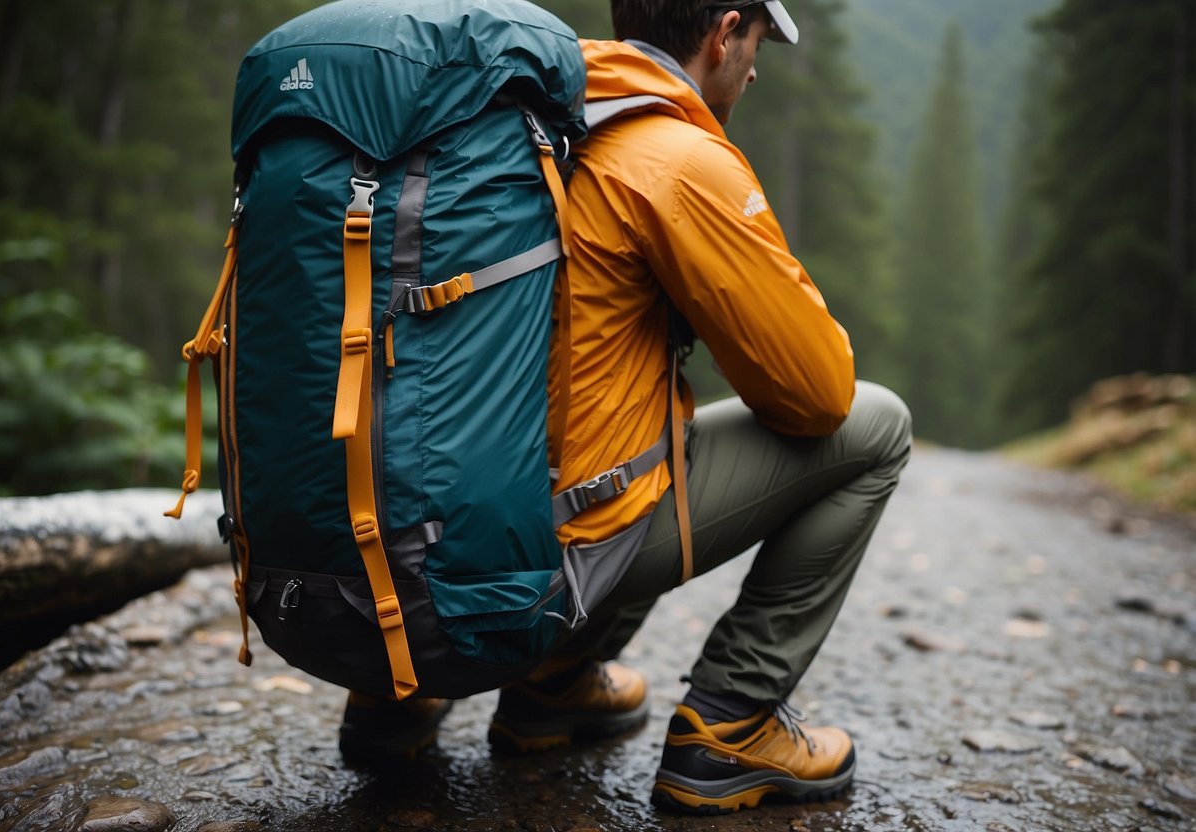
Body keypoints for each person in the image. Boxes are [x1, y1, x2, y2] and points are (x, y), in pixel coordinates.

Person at [342, 0, 912, 815]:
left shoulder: (494, 124)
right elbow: (814, 396)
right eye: (755, 46)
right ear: (722, 34)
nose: (753, 70)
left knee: (616, 419)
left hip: (373, 551)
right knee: (875, 424)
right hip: (529, 551)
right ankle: (730, 726)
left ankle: (422, 697)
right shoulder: (672, 154)